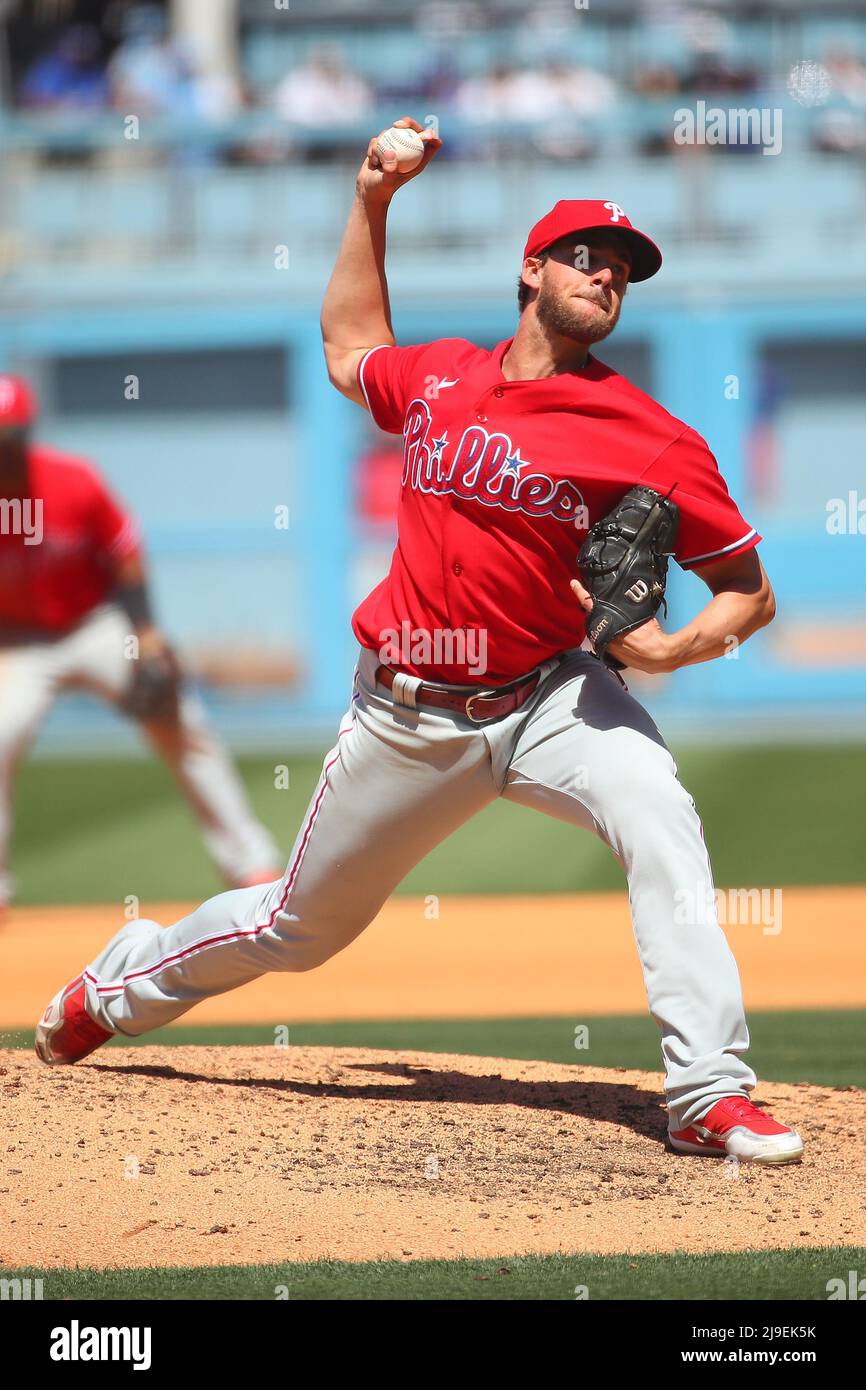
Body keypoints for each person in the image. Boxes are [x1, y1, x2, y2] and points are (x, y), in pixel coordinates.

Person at [35, 121, 803, 1167]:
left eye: (622, 269)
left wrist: (674, 654)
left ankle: (706, 1091)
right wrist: (370, 199)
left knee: (657, 812)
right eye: (585, 254)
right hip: (405, 714)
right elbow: (349, 348)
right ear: (529, 270)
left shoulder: (648, 435)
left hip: (550, 697)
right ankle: (116, 988)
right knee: (297, 929)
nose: (605, 274)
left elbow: (746, 592)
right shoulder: (441, 376)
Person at [0, 375, 279, 918]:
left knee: (179, 719)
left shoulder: (71, 482)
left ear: (26, 435)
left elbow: (124, 550)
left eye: (8, 440)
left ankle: (250, 865)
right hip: (17, 643)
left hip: (93, 625)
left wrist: (147, 636)